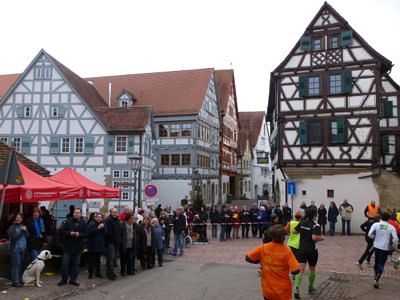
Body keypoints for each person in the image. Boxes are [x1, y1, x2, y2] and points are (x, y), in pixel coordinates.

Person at [246, 225, 300, 300]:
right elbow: (295, 270)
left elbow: (248, 258)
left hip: (268, 290)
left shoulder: (263, 248)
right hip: (283, 291)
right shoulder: (287, 251)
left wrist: (261, 261)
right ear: (284, 238)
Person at [294, 206, 325, 298]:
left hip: (302, 248)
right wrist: (322, 237)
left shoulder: (302, 222)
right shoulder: (316, 225)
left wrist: (302, 232)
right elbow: (314, 237)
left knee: (301, 269)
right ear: (315, 214)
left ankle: (296, 287)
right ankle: (310, 287)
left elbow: (294, 231)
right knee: (312, 268)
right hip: (312, 250)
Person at [368, 212, 398, 288]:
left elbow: (370, 234)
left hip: (376, 246)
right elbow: (395, 239)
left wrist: (375, 238)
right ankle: (376, 279)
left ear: (381, 217)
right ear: (389, 219)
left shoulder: (376, 225)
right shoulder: (391, 227)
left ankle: (375, 277)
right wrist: (393, 247)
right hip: (385, 248)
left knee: (376, 262)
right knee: (381, 264)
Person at [58, 208, 87, 286]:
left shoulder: (84, 223)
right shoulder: (68, 221)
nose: (76, 214)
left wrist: (79, 234)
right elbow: (61, 231)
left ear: (81, 214)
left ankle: (73, 280)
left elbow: (86, 234)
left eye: (78, 213)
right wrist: (69, 233)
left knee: (76, 265)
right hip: (67, 247)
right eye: (75, 212)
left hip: (78, 248)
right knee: (64, 264)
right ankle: (64, 279)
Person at [7, 213, 29, 287]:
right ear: (14, 219)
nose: (18, 218)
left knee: (20, 265)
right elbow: (14, 238)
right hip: (14, 249)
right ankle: (15, 282)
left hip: (22, 249)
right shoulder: (11, 227)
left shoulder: (23, 226)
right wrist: (22, 231)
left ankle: (19, 280)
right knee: (16, 265)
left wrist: (26, 231)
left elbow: (27, 236)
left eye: (20, 217)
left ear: (22, 219)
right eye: (17, 217)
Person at [86, 212, 106, 279]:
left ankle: (98, 273)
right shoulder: (91, 224)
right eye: (98, 217)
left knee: (98, 260)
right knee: (91, 261)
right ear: (96, 217)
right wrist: (98, 228)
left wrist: (103, 228)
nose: (99, 218)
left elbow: (106, 233)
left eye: (101, 217)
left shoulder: (103, 224)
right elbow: (89, 233)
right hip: (92, 245)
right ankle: (90, 273)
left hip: (100, 246)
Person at [104, 208, 122, 280]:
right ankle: (110, 274)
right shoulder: (108, 220)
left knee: (114, 258)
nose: (115, 213)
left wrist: (119, 239)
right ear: (110, 212)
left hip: (116, 242)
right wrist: (115, 239)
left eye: (116, 212)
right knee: (111, 258)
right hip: (110, 242)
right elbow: (108, 233)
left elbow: (118, 231)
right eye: (113, 212)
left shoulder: (117, 220)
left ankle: (110, 272)